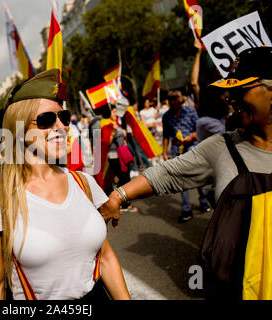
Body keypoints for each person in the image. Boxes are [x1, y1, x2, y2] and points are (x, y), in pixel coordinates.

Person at [106, 46, 272, 300]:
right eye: (229, 91)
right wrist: (118, 196)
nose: (231, 98)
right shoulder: (221, 147)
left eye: (240, 89)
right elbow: (168, 174)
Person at [0, 69, 130, 300]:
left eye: (64, 117)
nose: (61, 126)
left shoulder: (84, 183)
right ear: (19, 131)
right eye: (47, 120)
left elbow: (106, 258)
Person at [162, 89, 210, 222]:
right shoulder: (166, 116)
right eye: (170, 98)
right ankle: (186, 209)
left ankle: (204, 200)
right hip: (177, 149)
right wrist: (164, 152)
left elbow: (199, 129)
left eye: (175, 98)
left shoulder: (190, 111)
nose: (173, 101)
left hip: (193, 147)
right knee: (181, 179)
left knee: (198, 175)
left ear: (181, 99)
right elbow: (166, 135)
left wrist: (191, 137)